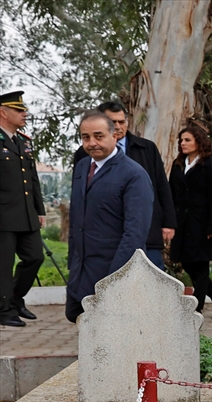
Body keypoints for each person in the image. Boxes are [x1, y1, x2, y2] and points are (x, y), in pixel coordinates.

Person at [65, 110, 153, 322]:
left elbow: (135, 233)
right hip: (80, 270)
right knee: (76, 317)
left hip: (111, 271)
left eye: (99, 136)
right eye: (85, 137)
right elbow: (76, 218)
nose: (92, 143)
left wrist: (115, 278)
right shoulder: (83, 166)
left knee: (109, 328)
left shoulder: (133, 174)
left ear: (115, 135)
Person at [72, 100, 176, 269]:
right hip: (102, 236)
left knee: (148, 275)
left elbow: (161, 185)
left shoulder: (146, 148)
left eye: (122, 121)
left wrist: (168, 222)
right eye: (113, 122)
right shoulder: (84, 154)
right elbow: (79, 196)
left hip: (147, 229)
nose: (118, 127)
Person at [168, 125, 212, 315]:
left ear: (199, 142)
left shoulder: (209, 164)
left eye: (187, 140)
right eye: (181, 140)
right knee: (187, 263)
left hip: (201, 224)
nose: (183, 143)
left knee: (200, 265)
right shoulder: (178, 164)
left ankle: (196, 308)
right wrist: (169, 221)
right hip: (181, 223)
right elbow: (171, 194)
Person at [0, 90, 44, 327]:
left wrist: (40, 210)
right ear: (3, 112)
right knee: (3, 265)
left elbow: (33, 179)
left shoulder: (24, 142)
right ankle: (4, 310)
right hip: (3, 216)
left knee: (35, 257)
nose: (24, 114)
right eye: (18, 110)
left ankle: (16, 298)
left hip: (26, 214)